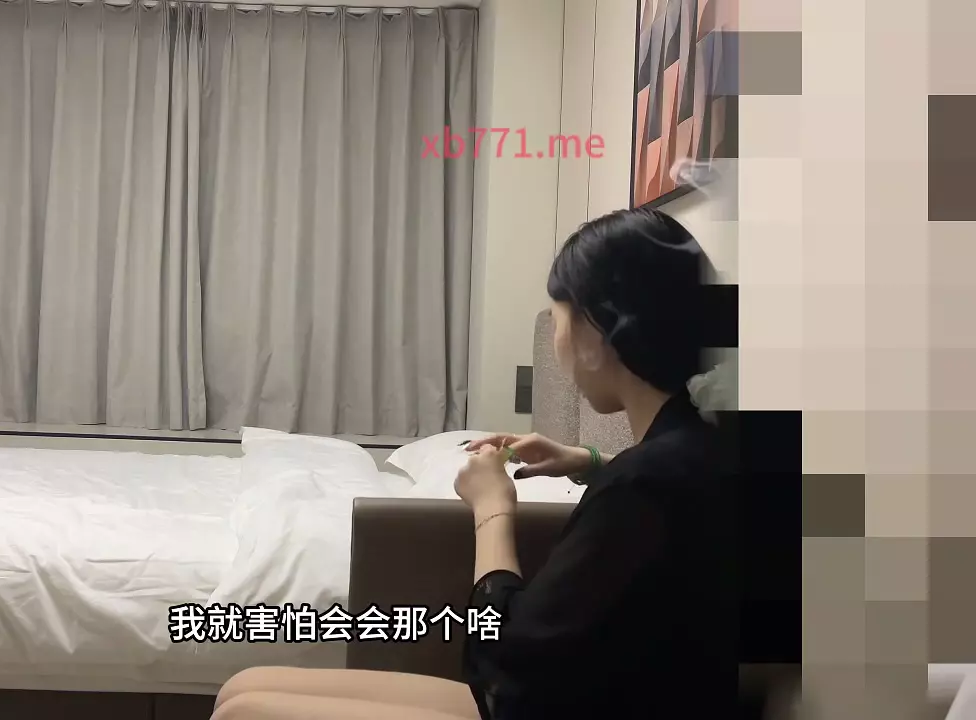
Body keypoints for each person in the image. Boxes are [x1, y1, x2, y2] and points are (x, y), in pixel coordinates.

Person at [211, 208, 737, 720]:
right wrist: (589, 460)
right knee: (242, 687)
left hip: (546, 701)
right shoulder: (697, 445)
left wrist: (492, 508)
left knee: (246, 712)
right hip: (610, 694)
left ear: (595, 336)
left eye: (558, 319)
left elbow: (503, 661)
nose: (557, 342)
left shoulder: (643, 488)